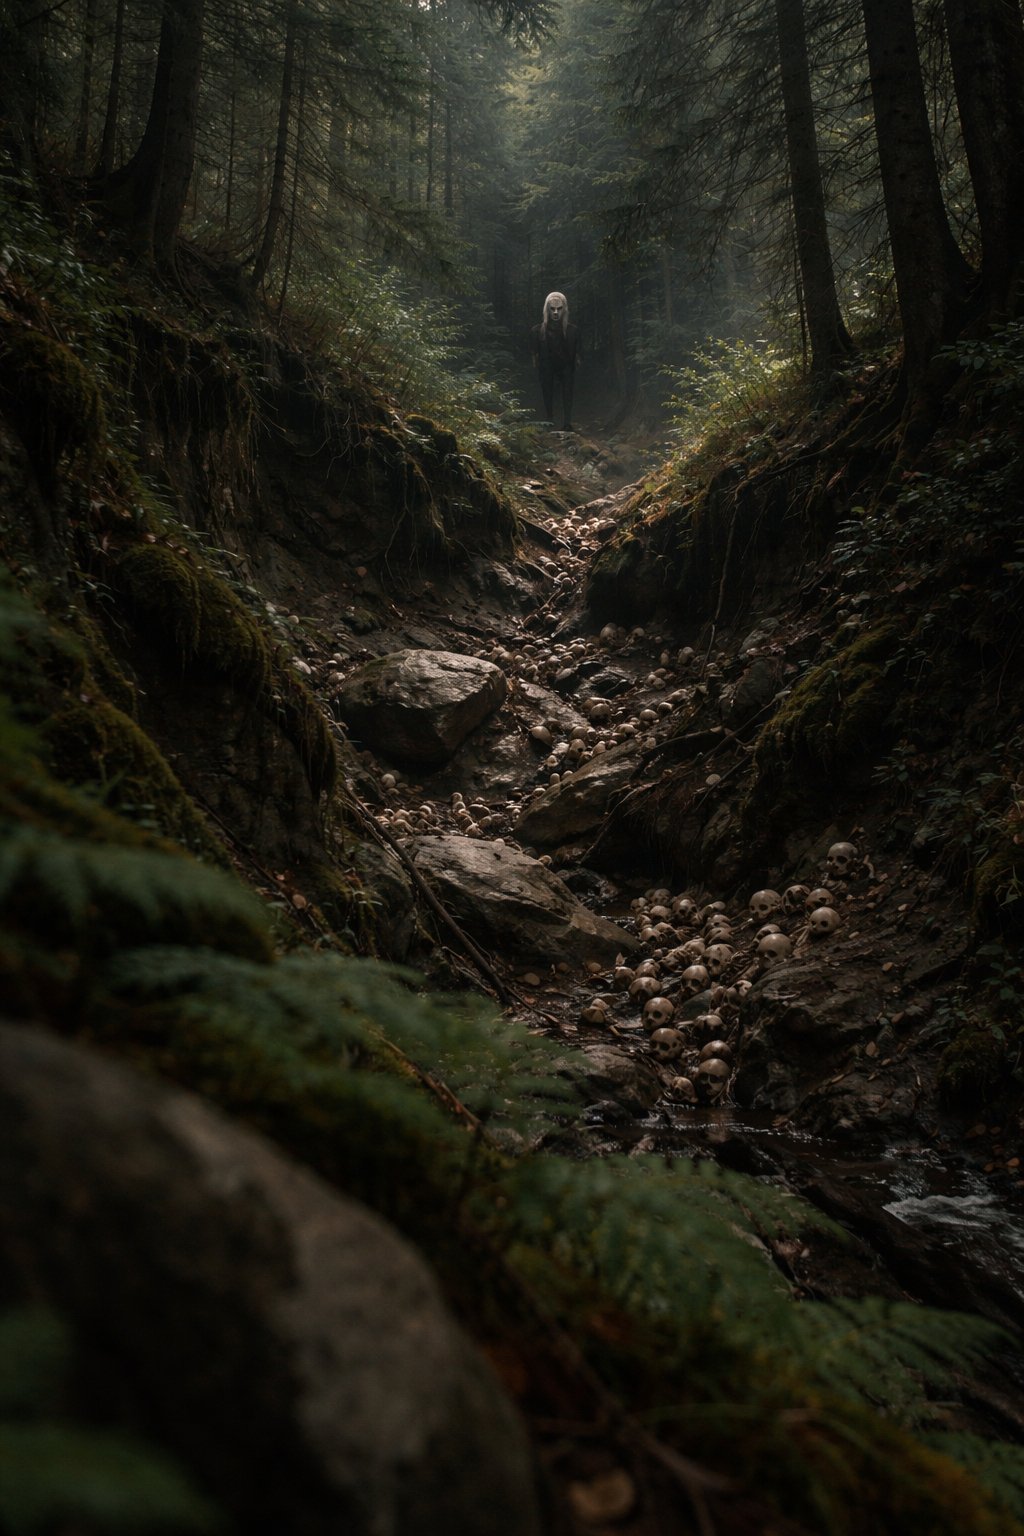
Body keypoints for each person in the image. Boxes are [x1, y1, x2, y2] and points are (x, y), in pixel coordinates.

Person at [531, 291, 579, 431]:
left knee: (567, 391)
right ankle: (549, 420)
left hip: (566, 366)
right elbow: (534, 355)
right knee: (547, 390)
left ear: (565, 309)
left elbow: (577, 355)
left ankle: (567, 422)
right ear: (547, 309)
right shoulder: (536, 331)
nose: (556, 312)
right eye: (552, 309)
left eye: (559, 308)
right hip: (547, 366)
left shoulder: (573, 331)